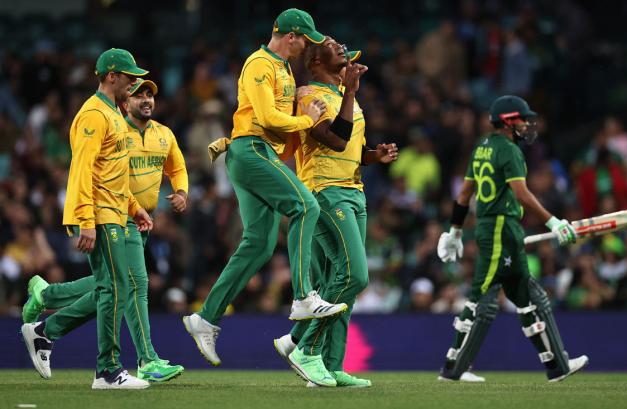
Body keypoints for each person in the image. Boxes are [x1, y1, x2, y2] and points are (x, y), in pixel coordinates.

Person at [183, 8, 347, 367]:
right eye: (304, 39)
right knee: (305, 206)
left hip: (257, 153)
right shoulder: (259, 64)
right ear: (290, 36)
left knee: (258, 245)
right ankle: (304, 296)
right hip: (250, 150)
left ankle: (205, 318)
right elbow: (268, 117)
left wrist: (305, 113)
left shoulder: (284, 69)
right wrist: (310, 118)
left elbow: (281, 125)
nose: (306, 46)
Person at [22, 78, 187, 382]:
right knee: (129, 286)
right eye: (138, 94)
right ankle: (143, 359)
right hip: (111, 214)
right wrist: (88, 218)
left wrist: (171, 194)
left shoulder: (162, 133)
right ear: (126, 100)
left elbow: (172, 168)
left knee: (114, 285)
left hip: (133, 214)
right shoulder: (108, 122)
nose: (145, 99)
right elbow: (87, 170)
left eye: (150, 94)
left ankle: (48, 306)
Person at [436, 95, 589, 382]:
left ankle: (557, 365)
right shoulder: (509, 150)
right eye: (522, 119)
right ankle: (453, 369)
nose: (527, 125)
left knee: (532, 297)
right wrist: (553, 221)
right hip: (499, 228)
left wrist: (455, 231)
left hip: (498, 227)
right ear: (507, 121)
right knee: (481, 299)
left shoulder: (481, 146)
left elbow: (464, 195)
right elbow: (521, 194)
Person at [272, 41, 397, 387]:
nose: (344, 52)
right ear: (315, 60)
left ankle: (330, 365)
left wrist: (375, 155)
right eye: (336, 48)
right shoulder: (307, 96)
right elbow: (335, 141)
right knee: (356, 276)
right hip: (325, 190)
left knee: (338, 280)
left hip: (354, 190)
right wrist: (352, 93)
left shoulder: (345, 96)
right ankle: (305, 348)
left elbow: (353, 150)